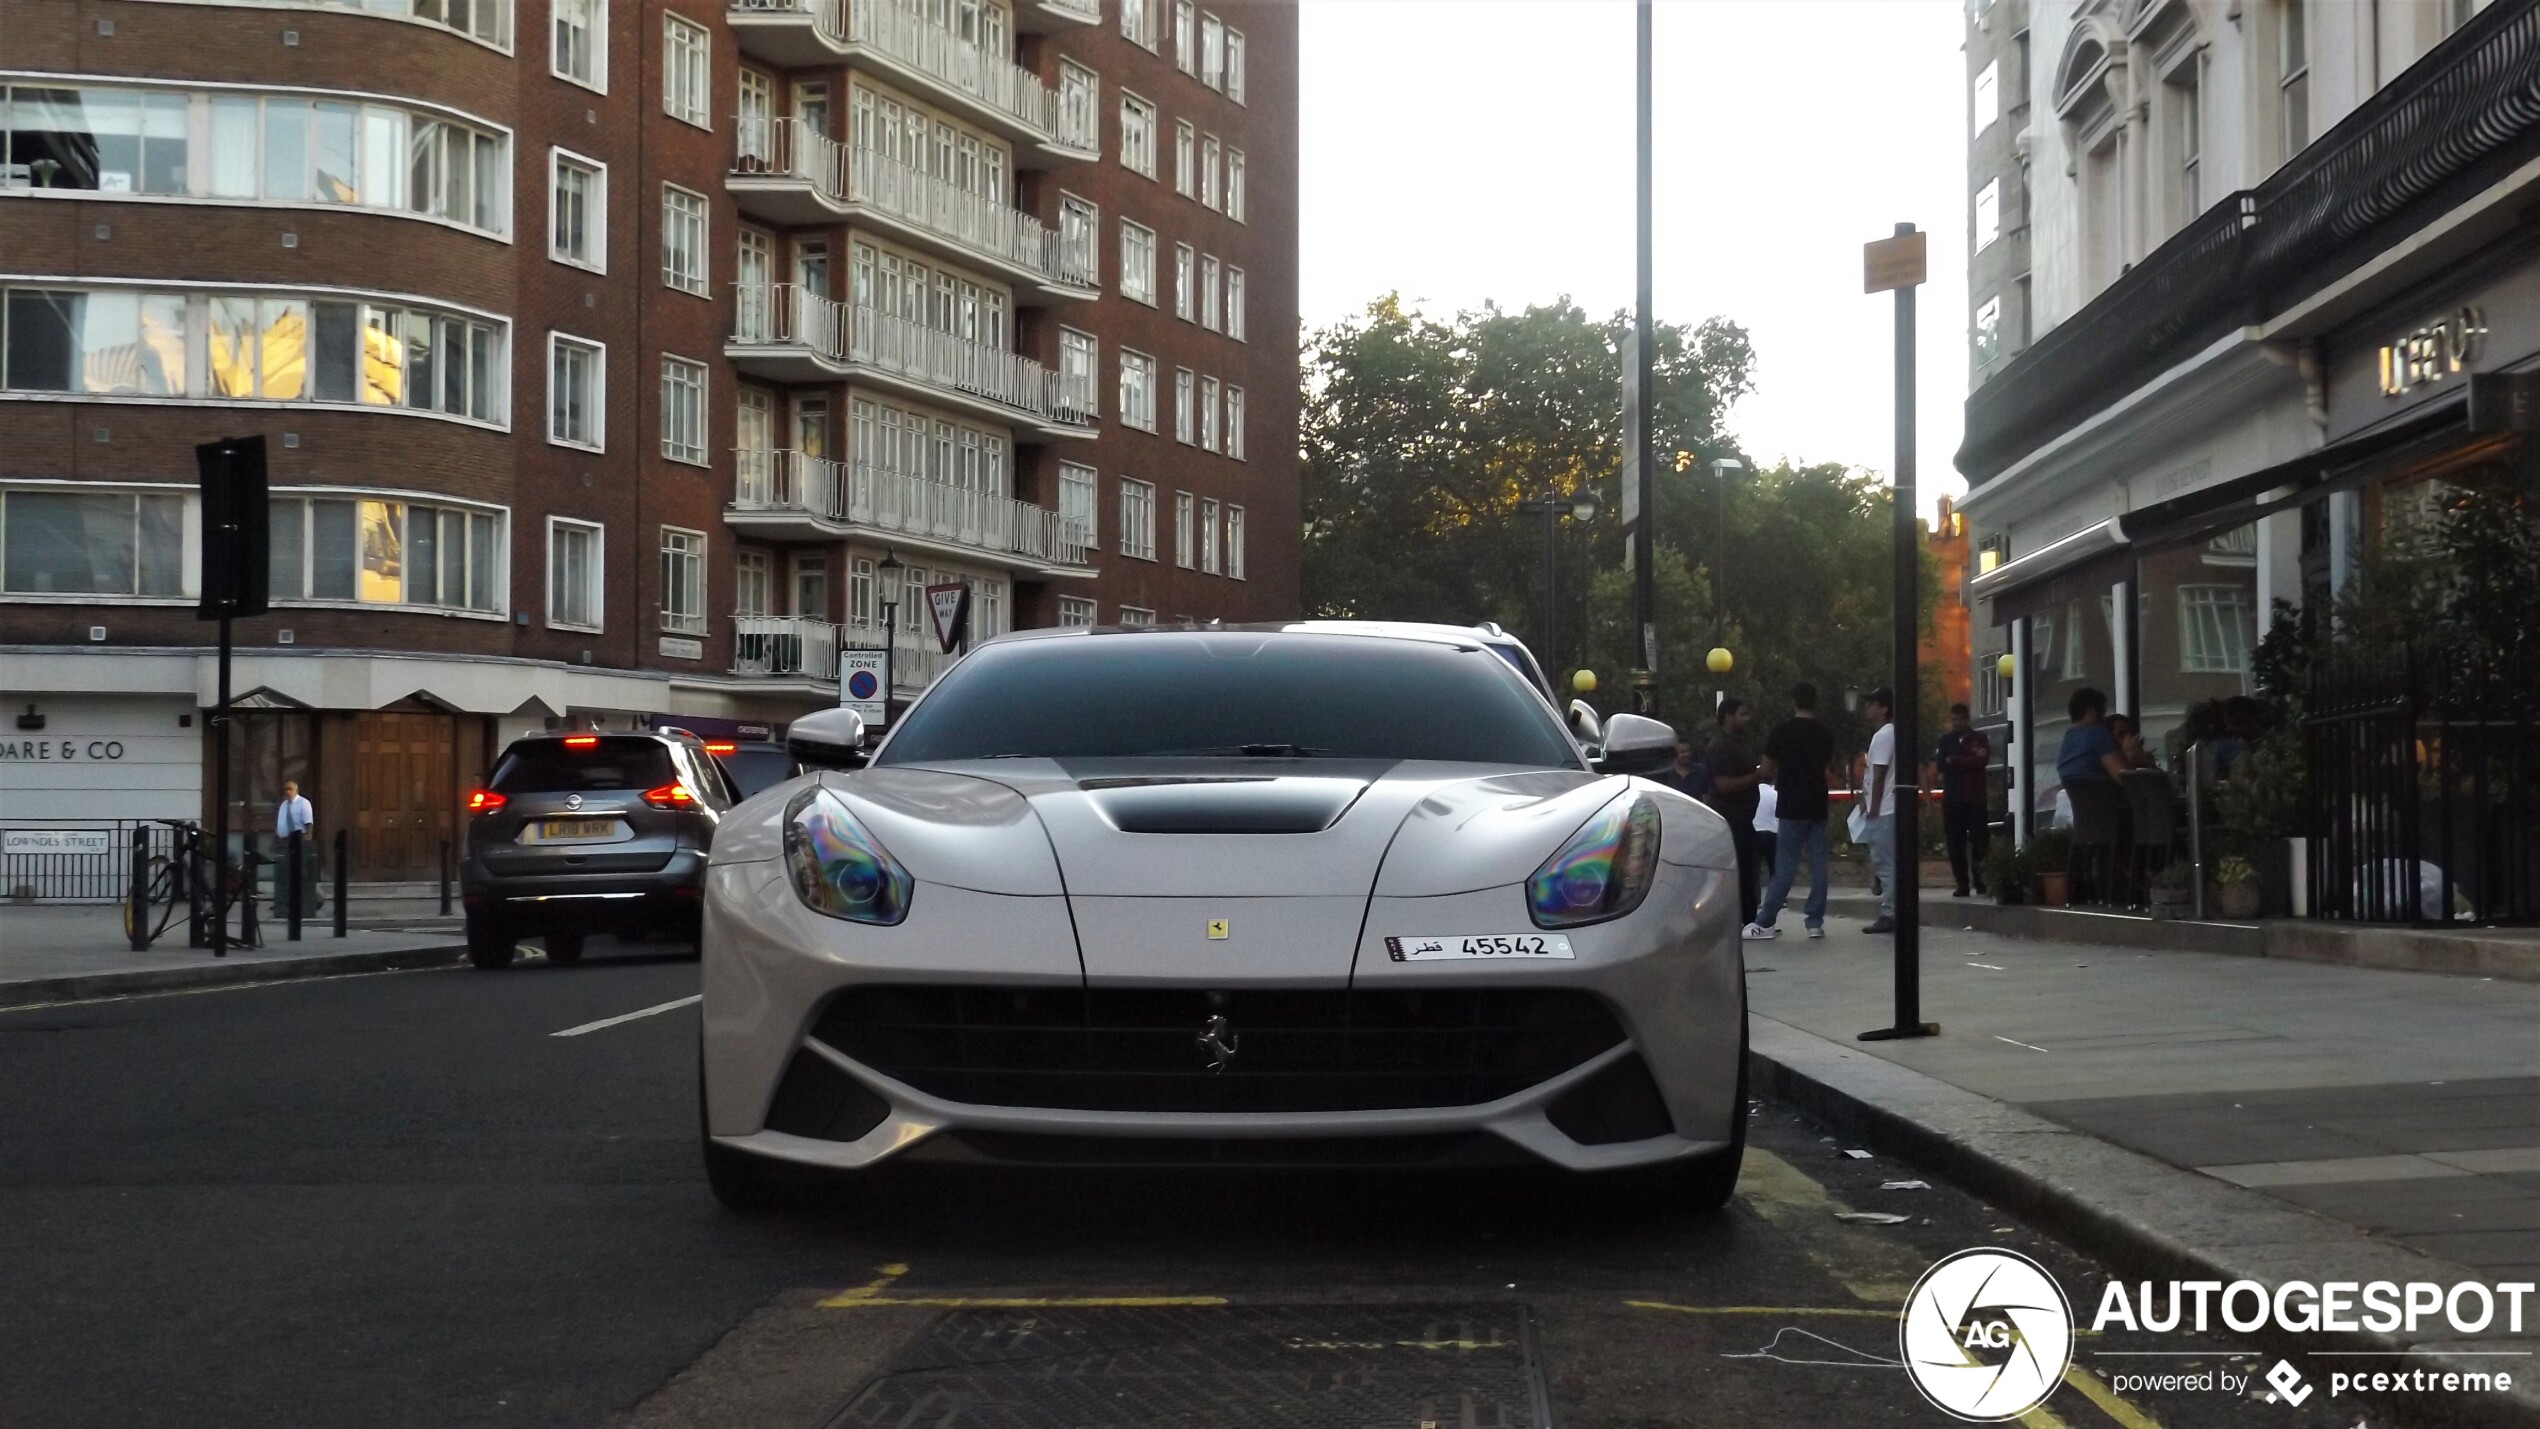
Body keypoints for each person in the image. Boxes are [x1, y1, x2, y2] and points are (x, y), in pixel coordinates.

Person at [1746, 682, 1837, 941]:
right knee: (1819, 864)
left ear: (1793, 701)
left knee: (1785, 865)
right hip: (1817, 802)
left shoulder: (1781, 732)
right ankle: (1815, 922)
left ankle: (1765, 920)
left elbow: (1765, 769)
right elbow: (1826, 765)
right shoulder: (1824, 733)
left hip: (1790, 803)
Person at [1702, 698, 1764, 927]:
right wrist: (1758, 775)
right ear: (1728, 716)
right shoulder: (1721, 746)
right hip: (1731, 819)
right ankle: (1742, 919)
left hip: (1743, 817)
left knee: (1748, 869)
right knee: (1740, 870)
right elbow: (1723, 785)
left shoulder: (1737, 743)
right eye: (1742, 714)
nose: (1747, 719)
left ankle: (1748, 917)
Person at [1934, 703, 1992, 898]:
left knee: (1980, 839)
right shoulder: (1945, 741)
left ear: (1967, 719)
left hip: (1975, 798)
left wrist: (1956, 760)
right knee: (1955, 843)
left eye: (1960, 719)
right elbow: (1942, 765)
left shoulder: (1979, 738)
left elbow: (1982, 761)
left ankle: (1979, 877)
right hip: (1953, 799)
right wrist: (1968, 759)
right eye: (1954, 720)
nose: (1957, 723)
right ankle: (1962, 883)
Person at [1859, 688, 1899, 935]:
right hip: (1885, 806)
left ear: (1884, 708)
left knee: (1884, 863)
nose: (1867, 708)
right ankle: (1892, 908)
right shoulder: (1889, 734)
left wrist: (1872, 806)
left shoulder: (1884, 735)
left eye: (1872, 704)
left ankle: (1890, 912)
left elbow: (1879, 772)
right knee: (1885, 862)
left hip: (1884, 808)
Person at [272, 779, 322, 918]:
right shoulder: (283, 805)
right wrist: (278, 834)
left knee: (300, 872)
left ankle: (308, 900)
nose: (287, 792)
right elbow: (280, 821)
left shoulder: (303, 803)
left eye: (290, 789)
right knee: (285, 872)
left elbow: (308, 822)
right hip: (284, 841)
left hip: (298, 839)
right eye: (285, 790)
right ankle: (284, 902)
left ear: (296, 790)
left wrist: (308, 839)